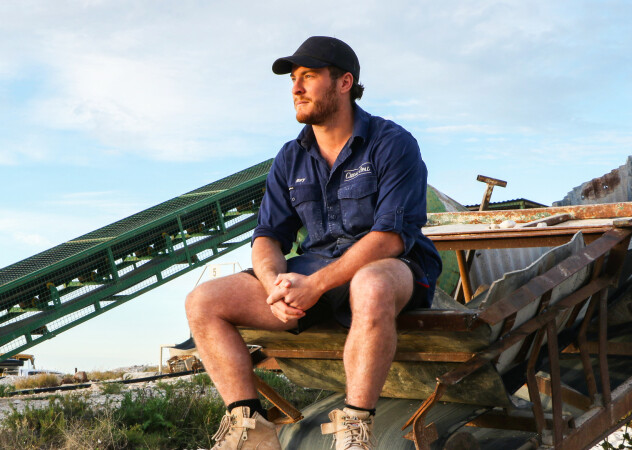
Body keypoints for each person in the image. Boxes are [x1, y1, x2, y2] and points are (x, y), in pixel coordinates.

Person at [185, 36, 442, 450]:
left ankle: (355, 432)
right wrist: (273, 285)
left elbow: (390, 238)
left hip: (391, 268)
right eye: (293, 79)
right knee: (203, 301)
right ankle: (251, 429)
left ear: (344, 83)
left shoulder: (392, 143)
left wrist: (315, 284)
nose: (296, 88)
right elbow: (268, 236)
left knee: (371, 284)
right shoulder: (290, 157)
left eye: (307, 76)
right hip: (314, 272)